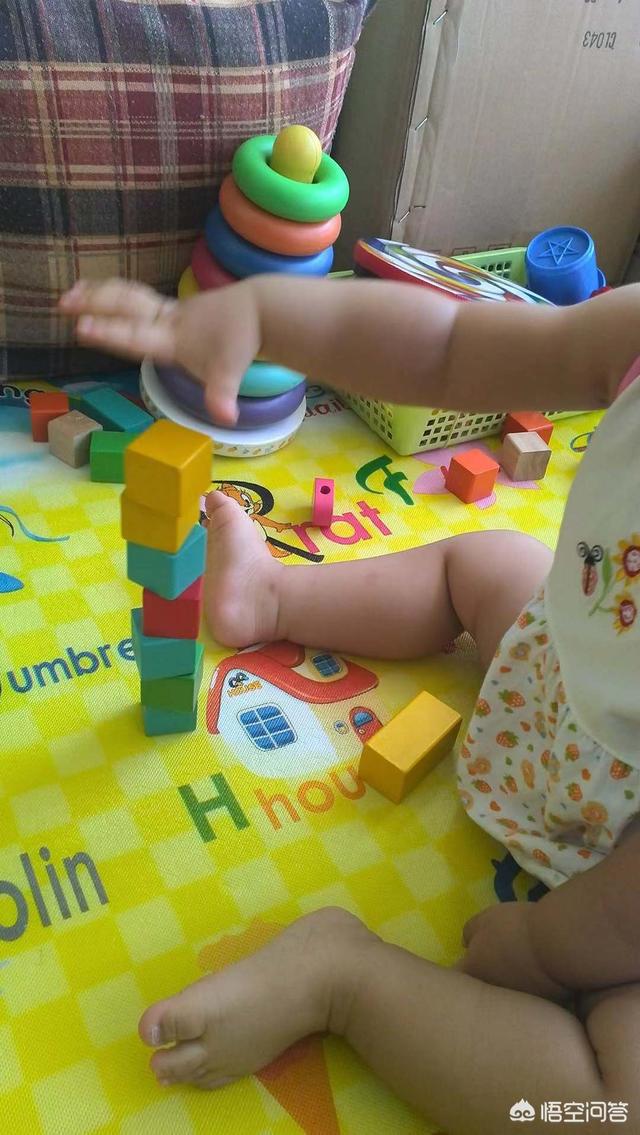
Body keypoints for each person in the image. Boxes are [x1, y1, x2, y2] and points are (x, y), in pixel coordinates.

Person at [60, 275, 640, 1134]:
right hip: (549, 682)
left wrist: (544, 947)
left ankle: (346, 980)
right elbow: (447, 346)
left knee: (608, 1109)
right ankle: (272, 596)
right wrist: (264, 316)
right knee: (486, 561)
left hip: (617, 887)